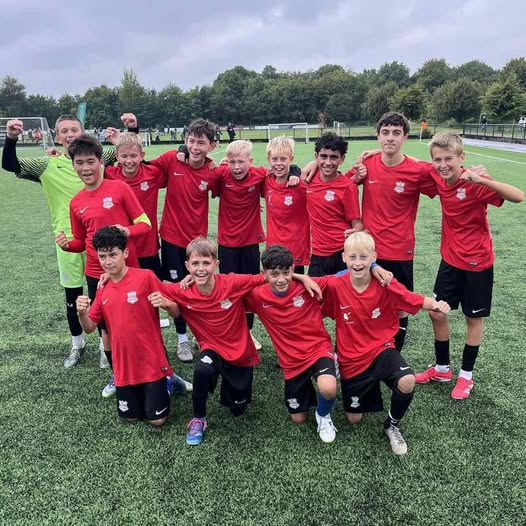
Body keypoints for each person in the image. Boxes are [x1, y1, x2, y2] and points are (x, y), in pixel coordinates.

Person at [1, 114, 137, 369]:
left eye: (74, 129)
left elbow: (128, 152)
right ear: (56, 136)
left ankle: (104, 346)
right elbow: (10, 165)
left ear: (83, 132)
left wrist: (131, 128)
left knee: (104, 294)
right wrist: (11, 138)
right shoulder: (46, 164)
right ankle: (77, 344)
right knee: (73, 295)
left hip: (100, 241)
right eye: (63, 130)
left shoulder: (99, 156)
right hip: (69, 242)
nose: (69, 134)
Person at [320, 232, 451, 455]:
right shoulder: (334, 284)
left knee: (407, 380)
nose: (358, 263)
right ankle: (348, 372)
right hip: (351, 358)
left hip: (381, 349)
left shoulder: (386, 283)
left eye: (364, 257)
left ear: (374, 257)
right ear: (343, 258)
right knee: (353, 418)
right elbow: (307, 285)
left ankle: (392, 425)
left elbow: (411, 298)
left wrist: (437, 304)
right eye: (352, 257)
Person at [415, 133, 524, 399]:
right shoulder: (437, 175)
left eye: (448, 159)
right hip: (450, 260)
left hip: (477, 263)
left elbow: (518, 196)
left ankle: (466, 376)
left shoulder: (475, 182)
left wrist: (482, 179)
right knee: (436, 312)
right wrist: (371, 154)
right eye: (438, 160)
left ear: (461, 157)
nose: (443, 165)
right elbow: (408, 161)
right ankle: (442, 369)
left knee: (472, 318)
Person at [55, 134, 151, 398]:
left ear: (101, 162)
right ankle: (118, 374)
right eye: (79, 163)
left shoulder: (119, 188)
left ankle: (157, 371)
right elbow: (80, 241)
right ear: (73, 164)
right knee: (107, 328)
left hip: (129, 270)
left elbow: (145, 224)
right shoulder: (76, 202)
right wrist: (67, 245)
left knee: (140, 322)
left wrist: (127, 230)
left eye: (90, 161)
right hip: (96, 274)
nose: (85, 168)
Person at [76, 226, 191, 427]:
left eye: (113, 255)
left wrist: (166, 304)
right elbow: (89, 327)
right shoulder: (103, 288)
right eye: (103, 256)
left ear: (125, 253)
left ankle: (167, 380)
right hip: (124, 366)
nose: (108, 261)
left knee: (157, 420)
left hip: (151, 361)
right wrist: (81, 313)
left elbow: (175, 312)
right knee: (131, 417)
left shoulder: (145, 277)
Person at [346, 112, 436, 351]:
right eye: (385, 132)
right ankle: (364, 350)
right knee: (365, 300)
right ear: (378, 136)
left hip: (400, 249)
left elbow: (447, 176)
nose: (390, 138)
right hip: (369, 250)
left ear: (405, 137)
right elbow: (341, 185)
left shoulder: (418, 170)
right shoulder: (366, 164)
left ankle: (394, 354)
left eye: (396, 133)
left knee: (400, 304)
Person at [244, 245, 337, 443]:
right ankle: (310, 389)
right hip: (291, 361)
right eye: (274, 274)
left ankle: (323, 415)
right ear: (263, 274)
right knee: (298, 419)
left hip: (318, 349)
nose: (281, 279)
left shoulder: (309, 286)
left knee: (328, 388)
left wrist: (373, 266)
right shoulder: (257, 296)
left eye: (286, 273)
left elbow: (345, 276)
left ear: (292, 269)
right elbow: (225, 288)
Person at [148, 118, 221, 362]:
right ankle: (182, 341)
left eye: (201, 143)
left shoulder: (213, 172)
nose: (195, 147)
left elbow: (234, 184)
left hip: (197, 244)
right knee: (177, 289)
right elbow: (141, 166)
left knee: (200, 290)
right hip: (171, 238)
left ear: (212, 145)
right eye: (191, 141)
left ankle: (204, 337)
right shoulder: (172, 159)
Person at [104, 132, 167, 278]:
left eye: (133, 156)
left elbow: (176, 167)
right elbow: (93, 158)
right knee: (125, 285)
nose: (129, 161)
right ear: (117, 156)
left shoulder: (153, 173)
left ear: (142, 155)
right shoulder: (109, 173)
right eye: (124, 156)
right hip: (121, 246)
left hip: (148, 245)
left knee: (153, 285)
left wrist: (184, 150)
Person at [305, 132, 363, 277]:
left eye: (334, 157)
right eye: (323, 156)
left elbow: (357, 223)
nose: (328, 162)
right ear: (316, 156)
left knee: (343, 292)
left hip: (342, 252)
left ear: (342, 159)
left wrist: (356, 231)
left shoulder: (348, 186)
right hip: (318, 253)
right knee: (314, 290)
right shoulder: (308, 179)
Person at [263, 136, 310, 274]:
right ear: (268, 159)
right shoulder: (266, 180)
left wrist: (296, 171)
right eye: (274, 159)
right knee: (274, 283)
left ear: (291, 158)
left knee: (295, 284)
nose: (278, 164)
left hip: (295, 248)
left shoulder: (301, 185)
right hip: (273, 247)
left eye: (283, 159)